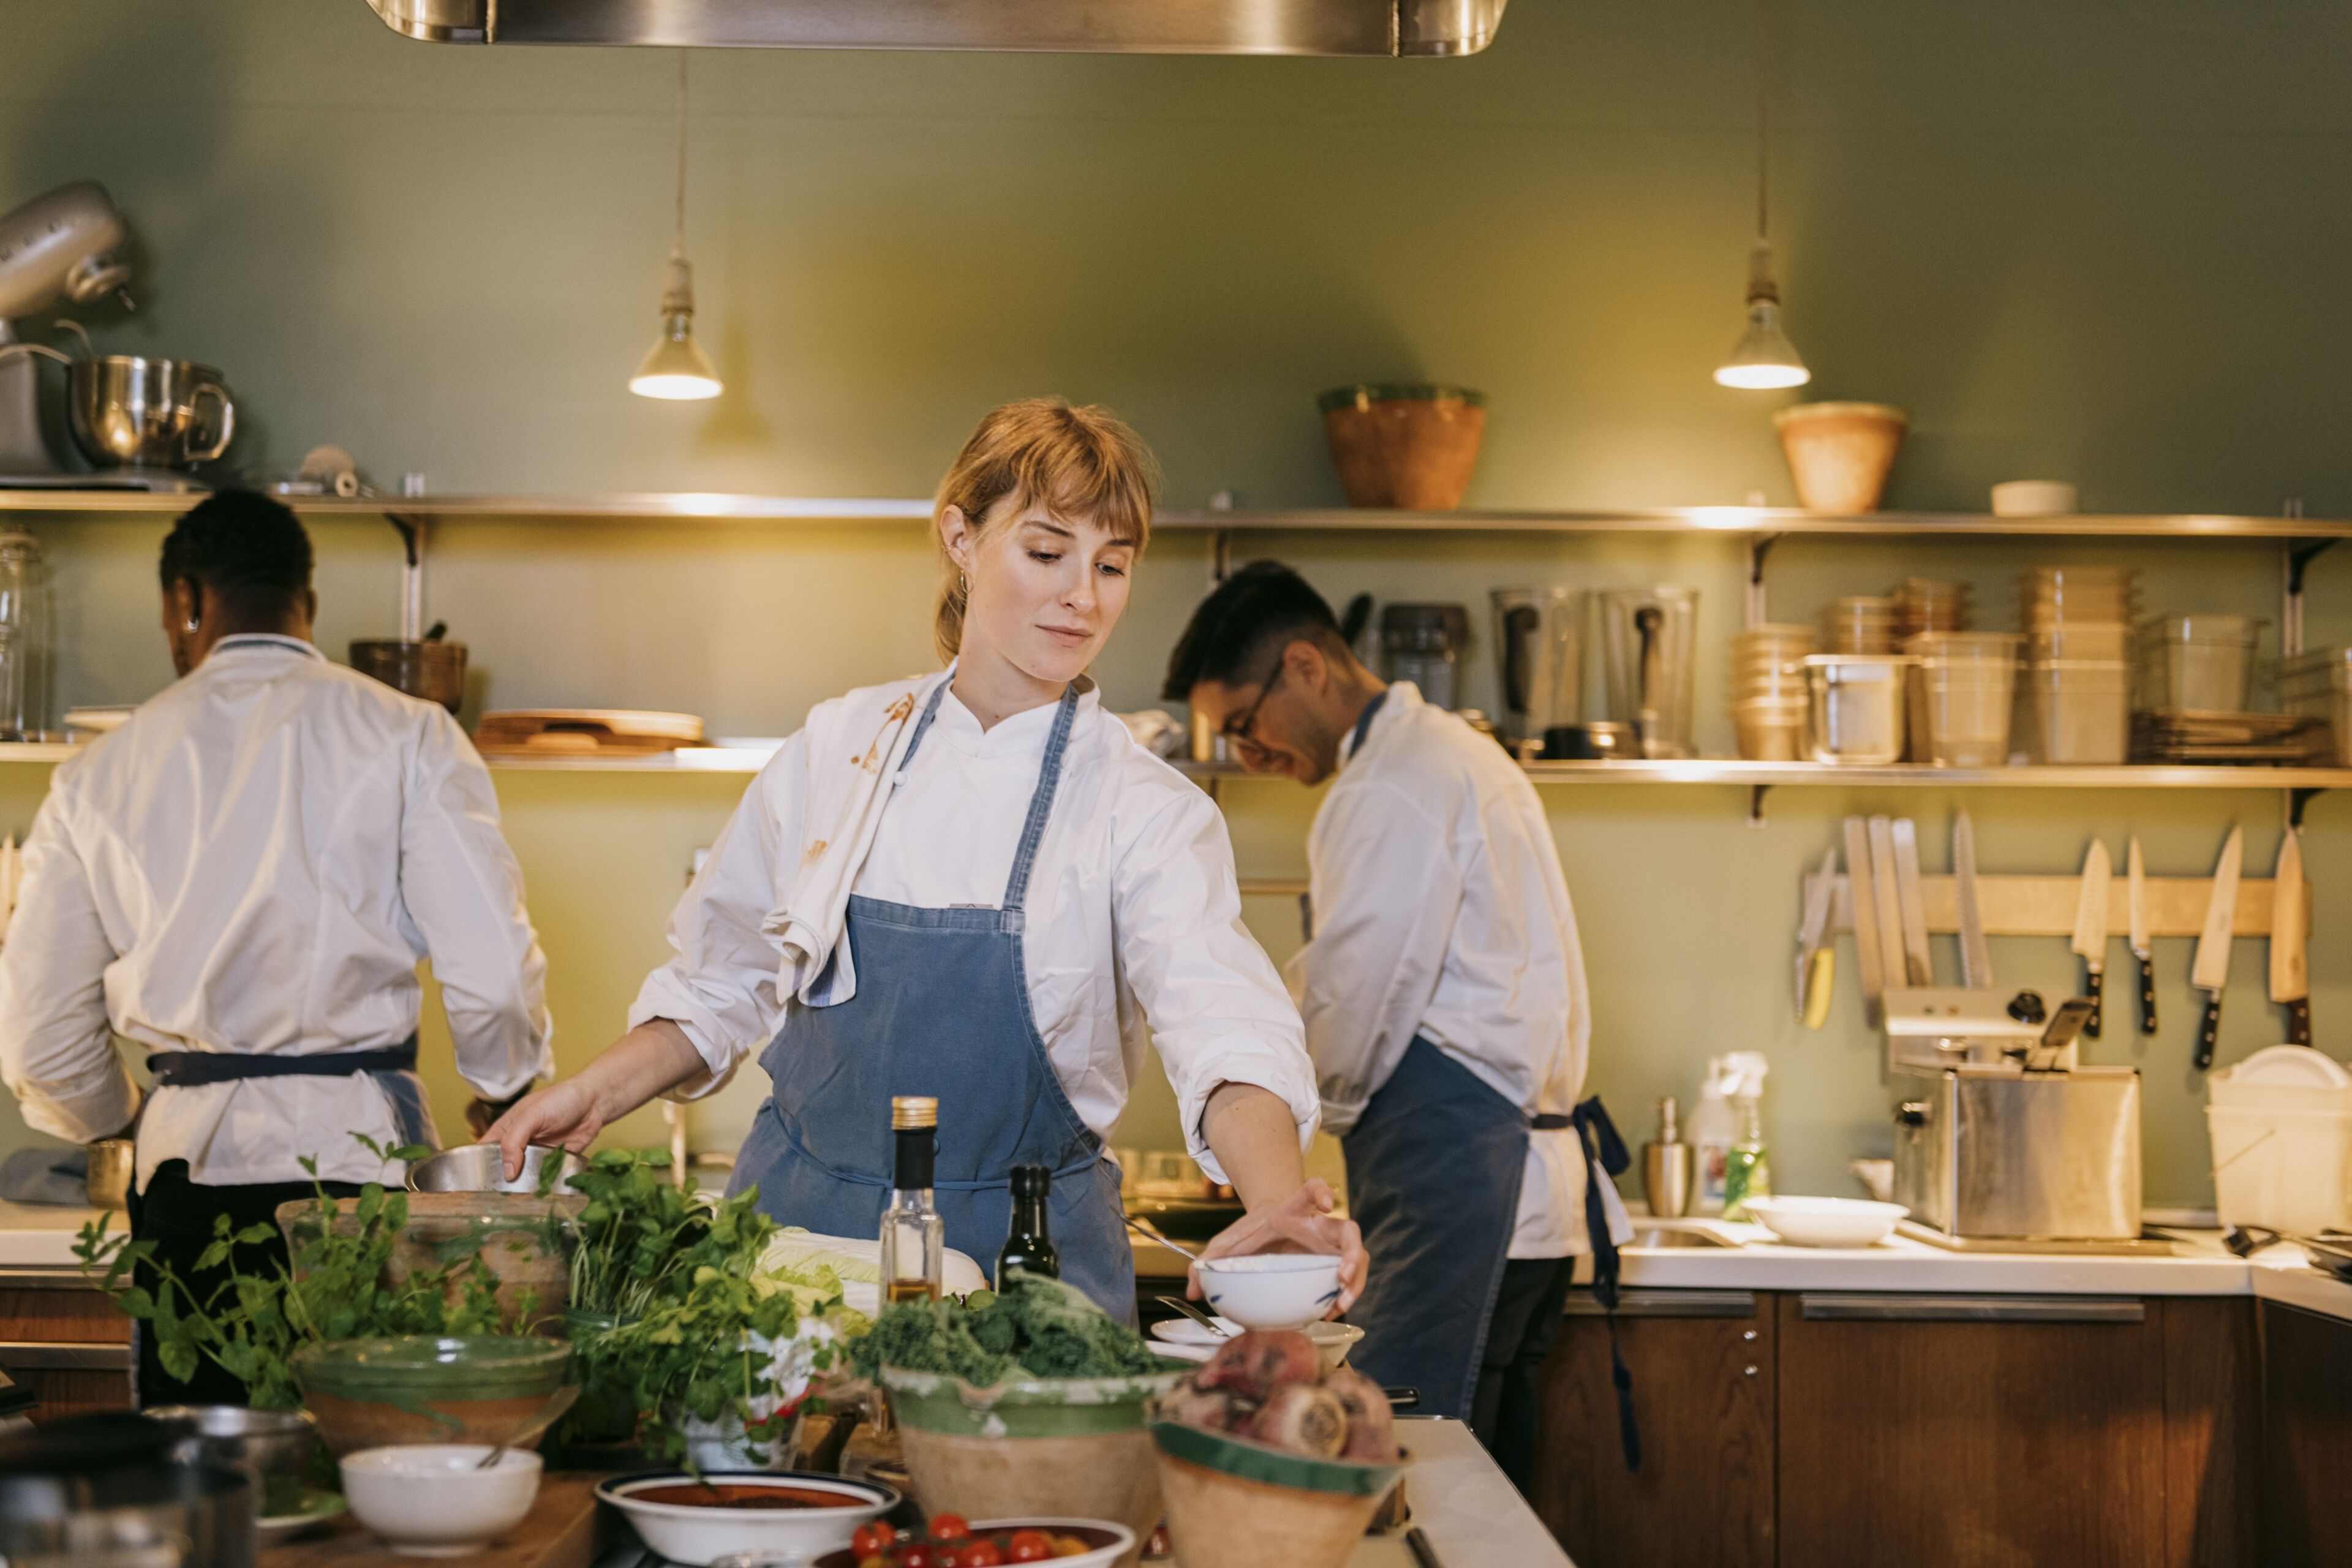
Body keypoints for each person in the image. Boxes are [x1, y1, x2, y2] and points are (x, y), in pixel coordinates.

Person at [488, 400, 1363, 1321]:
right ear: (960, 537)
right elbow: (719, 984)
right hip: (796, 1253)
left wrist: (1273, 1203)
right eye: (1045, 552)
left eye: (1112, 565)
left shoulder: (1142, 807)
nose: (1084, 595)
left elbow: (1224, 1027)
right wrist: (591, 1094)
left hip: (1024, 1275)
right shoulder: (839, 750)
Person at [0, 491, 553, 1405]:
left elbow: (40, 1047)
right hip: (364, 1171)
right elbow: (491, 978)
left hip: (185, 1175)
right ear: (311, 603)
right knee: (371, 1458)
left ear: (186, 603)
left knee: (208, 1477)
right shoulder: (411, 734)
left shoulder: (98, 774)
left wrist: (123, 1119)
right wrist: (503, 1094)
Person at [1162, 560, 1627, 1493]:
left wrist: (1263, 1135)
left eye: (1246, 726)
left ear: (1306, 666)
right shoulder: (1445, 754)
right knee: (1482, 1492)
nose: (1247, 756)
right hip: (1520, 1208)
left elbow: (1351, 1008)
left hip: (1460, 1197)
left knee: (1404, 1477)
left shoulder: (1390, 787)